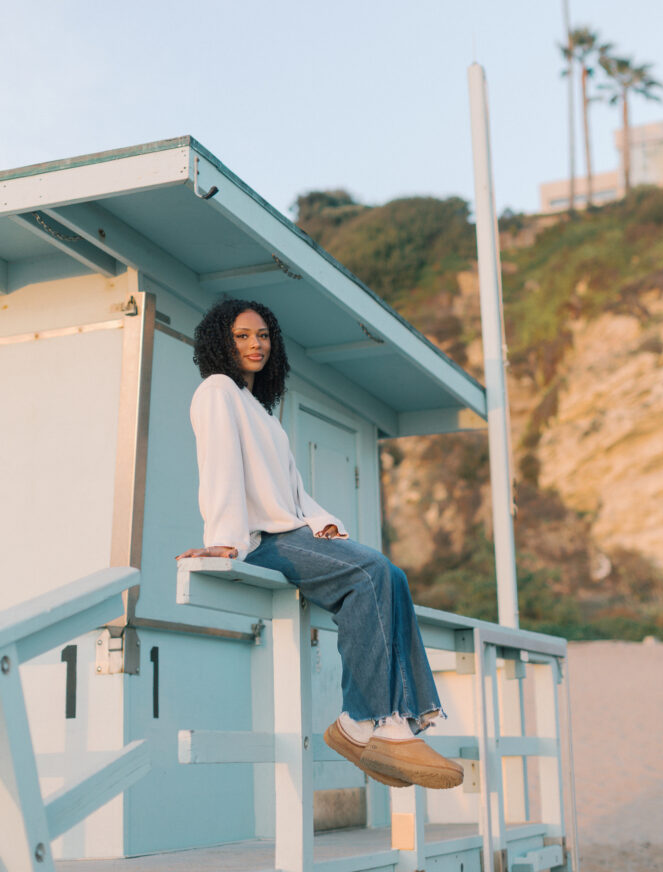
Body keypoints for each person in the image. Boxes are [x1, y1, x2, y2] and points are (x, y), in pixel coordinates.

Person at [176, 299, 463, 790]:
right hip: (264, 541)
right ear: (220, 341)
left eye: (263, 335)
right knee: (369, 572)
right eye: (242, 335)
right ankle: (362, 721)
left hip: (295, 533)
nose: (254, 344)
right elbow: (219, 465)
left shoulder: (262, 411)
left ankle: (398, 719)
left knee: (390, 574)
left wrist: (322, 522)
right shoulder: (217, 391)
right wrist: (223, 539)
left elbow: (292, 491)